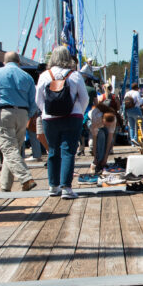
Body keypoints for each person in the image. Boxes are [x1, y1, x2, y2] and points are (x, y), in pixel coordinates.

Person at [0, 51, 39, 192]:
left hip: (3, 112)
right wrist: (28, 115)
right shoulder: (27, 77)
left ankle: (26, 178)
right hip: (23, 113)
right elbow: (34, 101)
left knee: (8, 149)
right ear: (19, 62)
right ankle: (5, 186)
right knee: (14, 150)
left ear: (4, 62)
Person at [36, 46, 88, 199]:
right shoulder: (75, 75)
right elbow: (84, 98)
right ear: (68, 58)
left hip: (50, 119)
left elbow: (38, 99)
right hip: (72, 118)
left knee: (53, 151)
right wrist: (79, 111)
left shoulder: (45, 75)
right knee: (68, 151)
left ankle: (53, 186)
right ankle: (66, 188)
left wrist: (47, 111)